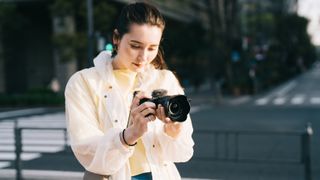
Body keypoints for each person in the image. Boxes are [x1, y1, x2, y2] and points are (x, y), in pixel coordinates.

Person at [65, 2, 194, 180]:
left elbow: (183, 153)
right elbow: (85, 150)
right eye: (135, 46)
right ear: (116, 38)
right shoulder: (84, 82)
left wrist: (173, 129)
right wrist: (129, 135)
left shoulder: (165, 79)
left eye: (152, 48)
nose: (143, 57)